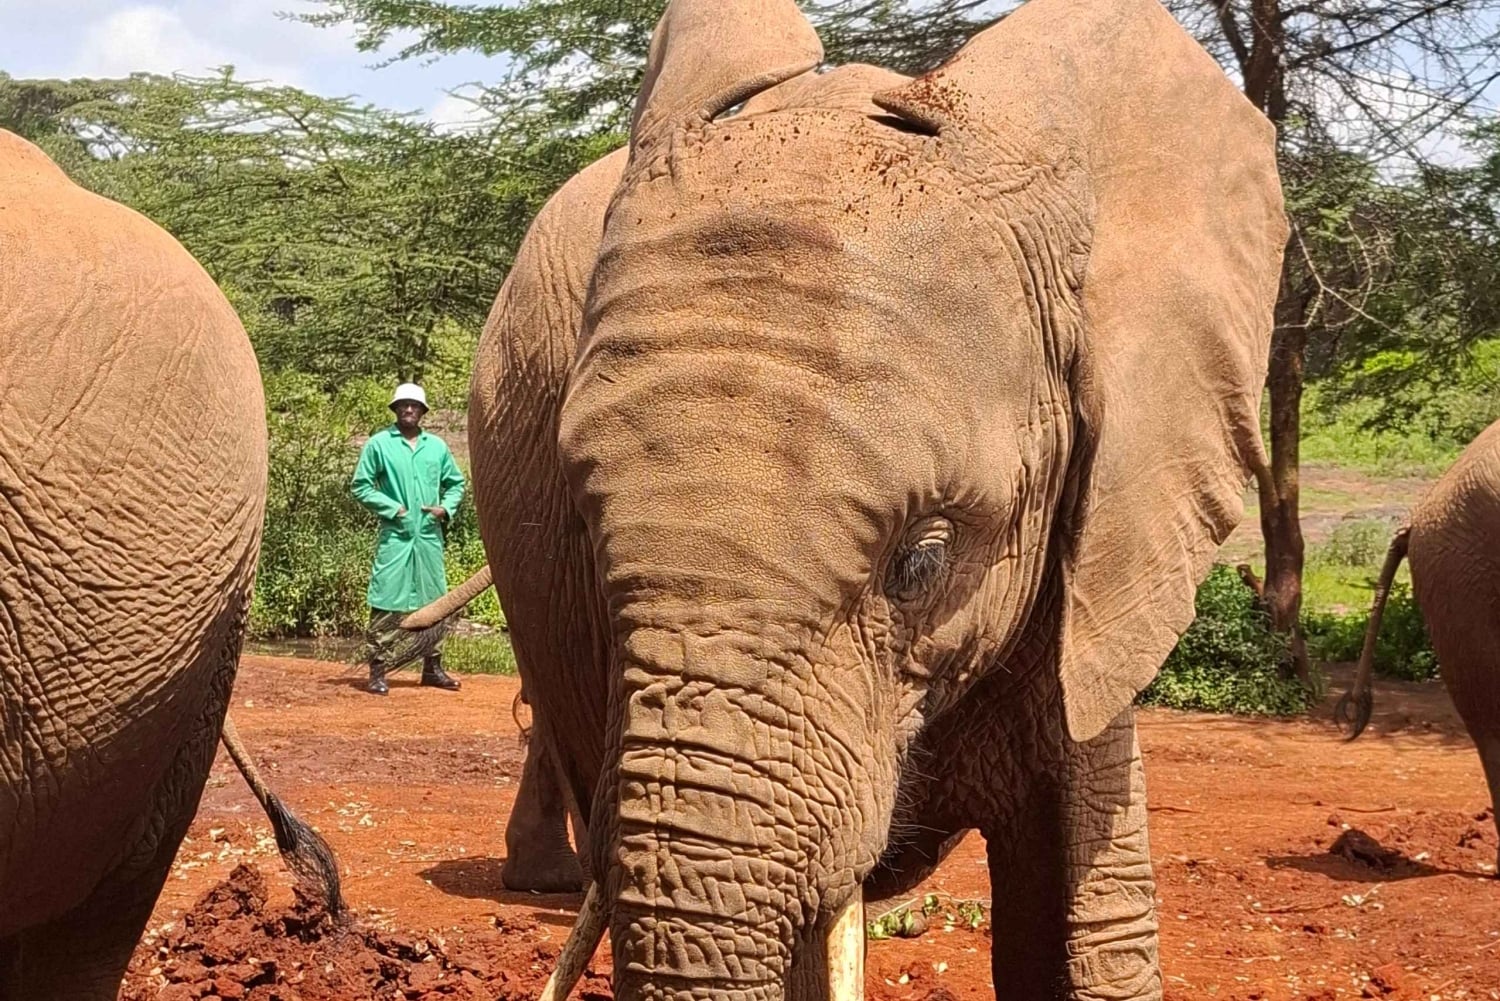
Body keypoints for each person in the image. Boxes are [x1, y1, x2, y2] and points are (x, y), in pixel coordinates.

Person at [351, 382, 466, 695]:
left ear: (423, 411)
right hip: (396, 535)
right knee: (386, 599)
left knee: (436, 602)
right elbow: (361, 486)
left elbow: (456, 484)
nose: (409, 409)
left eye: (414, 405)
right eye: (403, 405)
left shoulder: (437, 448)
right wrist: (393, 508)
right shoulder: (379, 445)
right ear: (395, 409)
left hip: (429, 536)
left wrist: (445, 508)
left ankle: (432, 668)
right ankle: (378, 671)